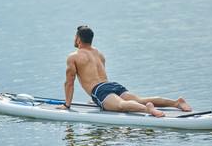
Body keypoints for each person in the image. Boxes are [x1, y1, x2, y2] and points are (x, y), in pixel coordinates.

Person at [55, 25, 192, 117]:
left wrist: (67, 105)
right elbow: (97, 77)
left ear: (78, 40)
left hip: (101, 91)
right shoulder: (98, 53)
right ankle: (176, 103)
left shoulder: (74, 56)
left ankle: (147, 109)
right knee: (141, 99)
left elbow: (69, 83)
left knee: (121, 105)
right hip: (112, 86)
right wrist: (99, 100)